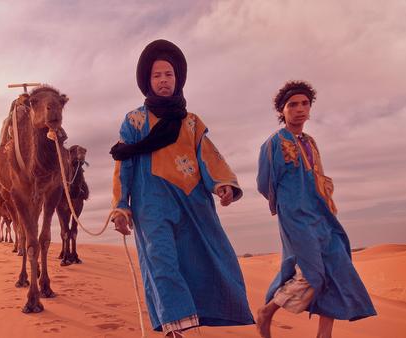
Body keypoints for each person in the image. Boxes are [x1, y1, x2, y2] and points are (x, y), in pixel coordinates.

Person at [110, 39, 254, 337]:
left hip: (193, 204)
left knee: (203, 261)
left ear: (178, 79)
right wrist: (120, 205)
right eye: (157, 75)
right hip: (151, 205)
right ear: (147, 82)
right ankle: (174, 332)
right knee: (161, 263)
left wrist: (223, 184)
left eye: (169, 75)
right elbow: (123, 164)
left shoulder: (191, 123)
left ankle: (197, 321)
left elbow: (209, 156)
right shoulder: (135, 121)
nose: (164, 80)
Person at [255, 81, 377, 338]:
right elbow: (264, 183)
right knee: (312, 274)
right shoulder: (273, 143)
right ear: (282, 110)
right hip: (296, 219)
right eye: (292, 105)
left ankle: (325, 335)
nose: (299, 109)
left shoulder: (310, 142)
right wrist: (289, 205)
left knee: (337, 267)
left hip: (323, 217)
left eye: (304, 104)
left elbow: (319, 178)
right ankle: (266, 312)